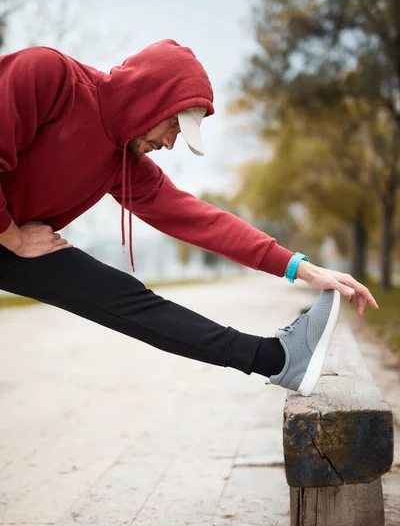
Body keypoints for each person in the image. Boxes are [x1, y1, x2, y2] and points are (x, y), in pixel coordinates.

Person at [0, 39, 378, 397]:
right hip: (11, 238)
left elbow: (200, 220)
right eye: (174, 127)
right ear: (150, 101)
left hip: (10, 243)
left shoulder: (122, 164)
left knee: (125, 297)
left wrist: (301, 268)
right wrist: (14, 238)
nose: (169, 144)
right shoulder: (48, 76)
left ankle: (278, 360)